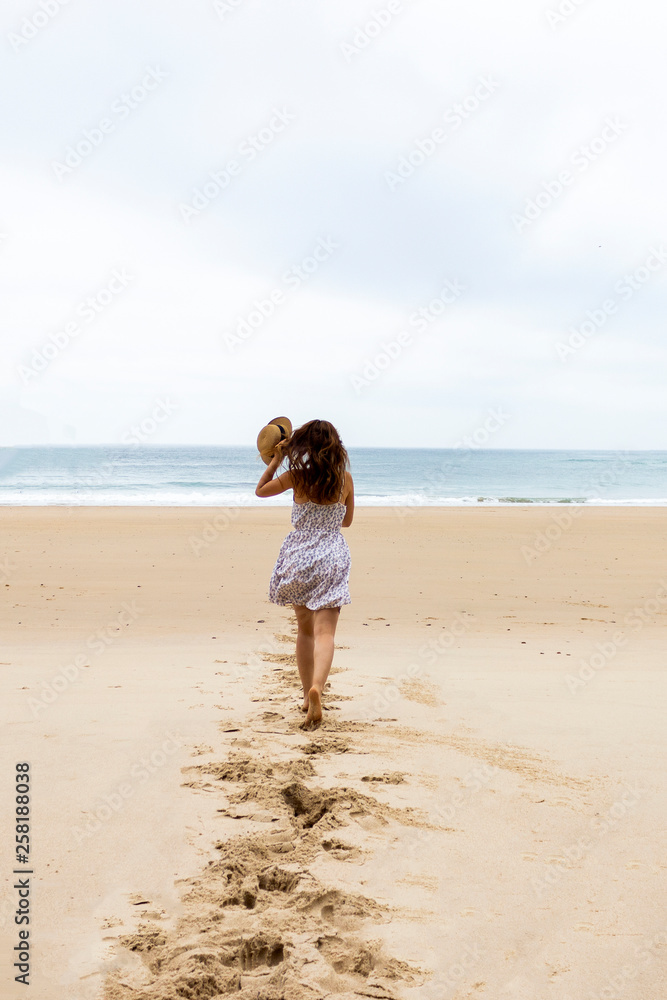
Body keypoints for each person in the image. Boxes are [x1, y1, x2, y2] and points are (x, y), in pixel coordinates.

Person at [255, 419, 354, 730]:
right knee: (326, 633)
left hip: (299, 556)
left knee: (305, 631)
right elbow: (347, 522)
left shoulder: (296, 476)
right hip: (331, 556)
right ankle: (318, 689)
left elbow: (261, 491)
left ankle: (303, 694)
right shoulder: (345, 479)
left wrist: (277, 459)